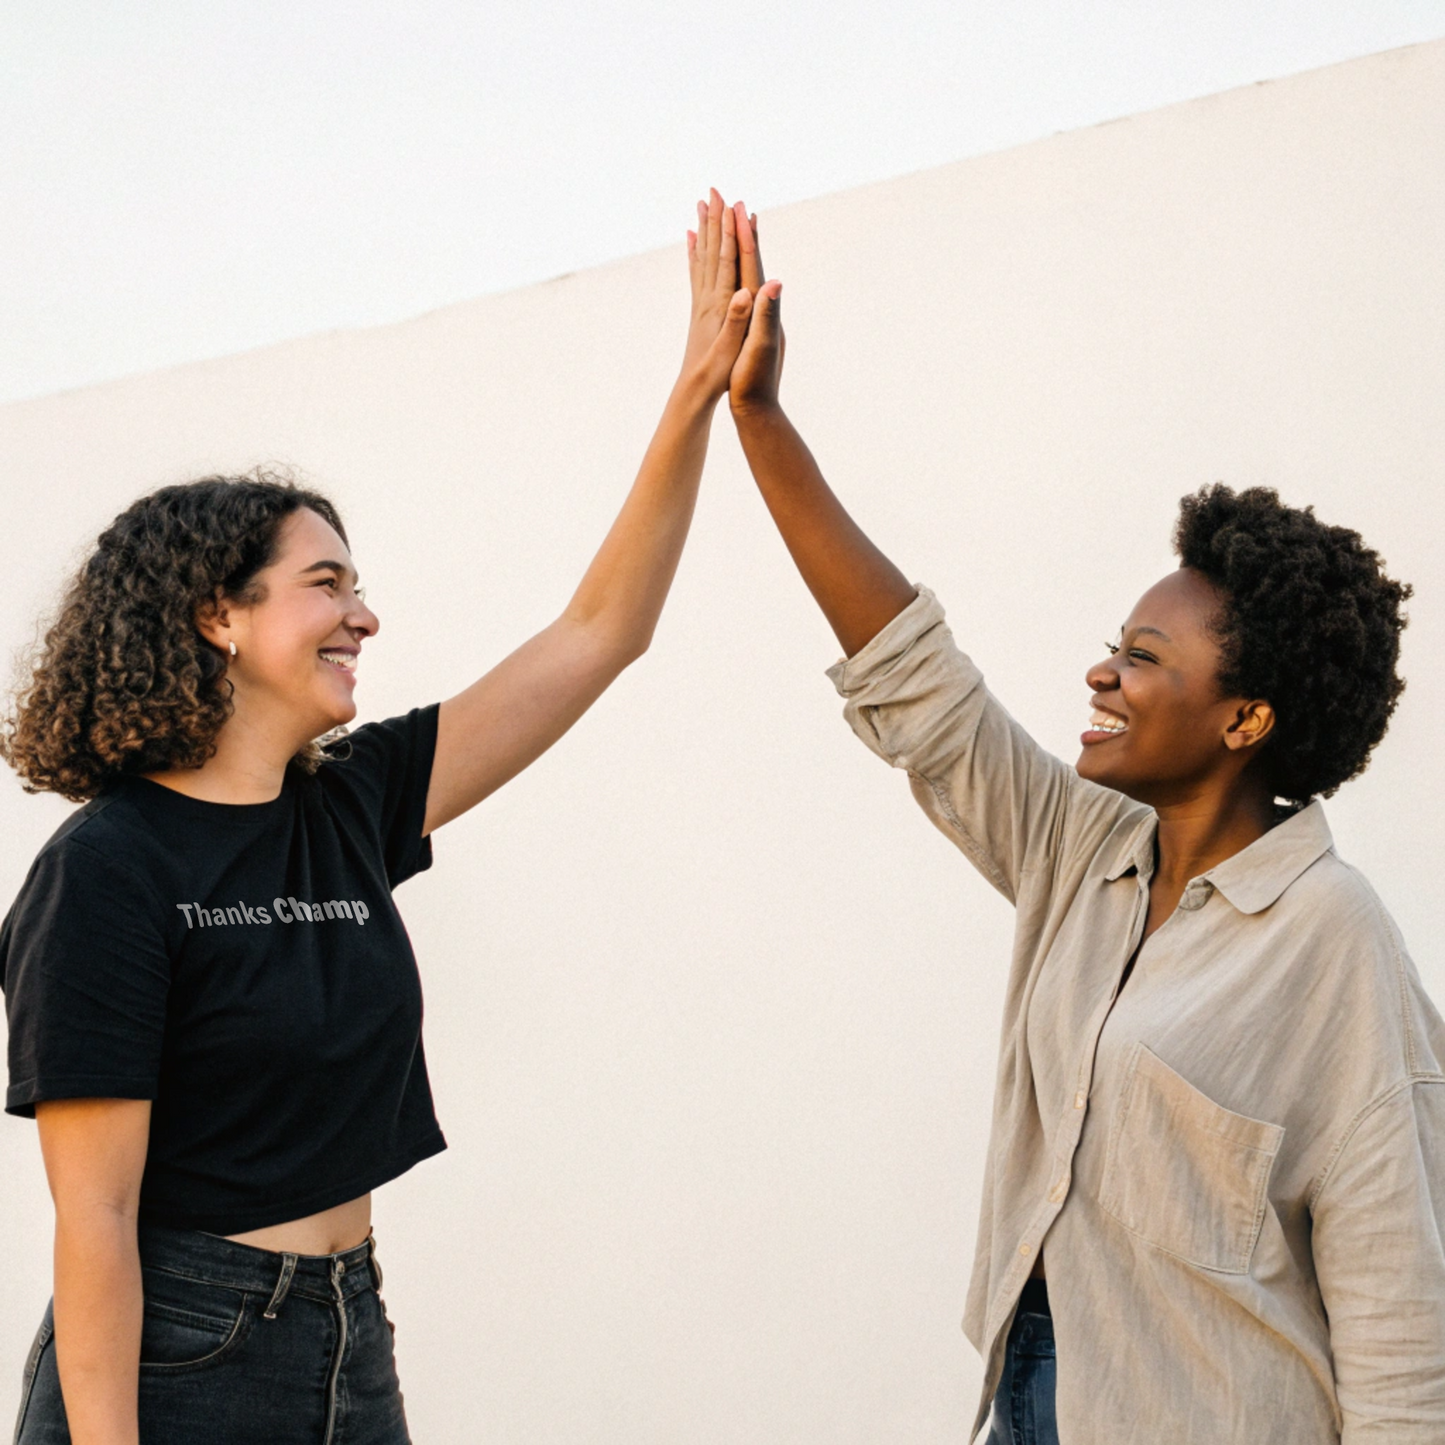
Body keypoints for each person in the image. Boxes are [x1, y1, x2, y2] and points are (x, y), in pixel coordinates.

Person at [1, 190, 755, 1445]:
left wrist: (693, 398)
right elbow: (95, 1221)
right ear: (216, 616)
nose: (363, 615)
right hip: (184, 1346)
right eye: (326, 584)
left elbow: (597, 633)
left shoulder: (351, 804)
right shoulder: (108, 870)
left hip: (347, 1329)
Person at [722, 203, 1445, 1442]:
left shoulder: (1332, 939)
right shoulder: (1083, 853)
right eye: (1113, 648)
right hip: (1030, 1401)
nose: (1101, 675)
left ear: (1245, 718)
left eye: (1142, 657)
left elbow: (1400, 1319)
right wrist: (762, 425)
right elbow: (918, 685)